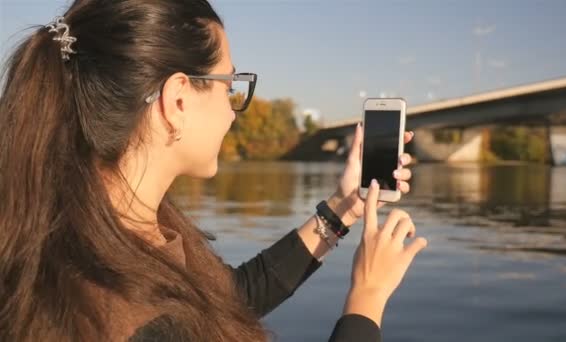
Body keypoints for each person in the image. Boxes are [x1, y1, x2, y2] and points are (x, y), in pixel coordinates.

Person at [0, 0, 427, 341]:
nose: (232, 113)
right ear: (179, 100)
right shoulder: (124, 318)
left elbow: (228, 300)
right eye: (229, 85)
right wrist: (366, 299)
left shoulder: (105, 230)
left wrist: (342, 208)